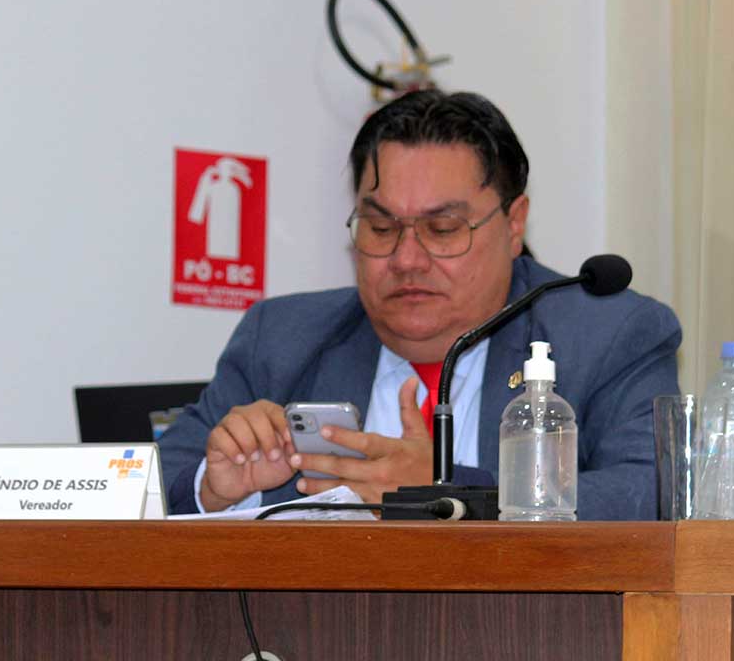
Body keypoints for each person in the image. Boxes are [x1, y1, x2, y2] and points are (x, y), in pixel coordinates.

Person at [158, 90, 682, 520]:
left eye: (443, 228)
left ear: (514, 223)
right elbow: (152, 484)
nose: (406, 259)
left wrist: (453, 491)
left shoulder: (610, 335)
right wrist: (213, 490)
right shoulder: (280, 339)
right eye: (381, 227)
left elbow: (651, 496)